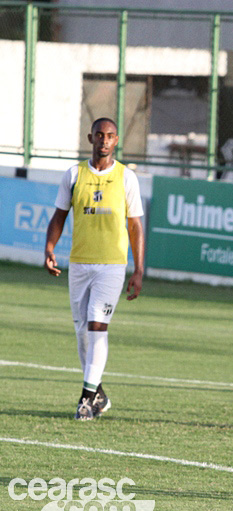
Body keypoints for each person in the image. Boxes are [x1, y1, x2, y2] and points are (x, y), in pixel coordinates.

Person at [44, 117, 145, 421]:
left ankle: (86, 399)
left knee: (98, 326)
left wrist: (139, 269)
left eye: (110, 136)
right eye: (99, 135)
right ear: (90, 138)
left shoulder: (126, 178)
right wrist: (49, 248)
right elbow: (59, 216)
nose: (104, 140)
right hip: (79, 263)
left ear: (116, 141)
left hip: (112, 266)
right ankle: (98, 392)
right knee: (82, 332)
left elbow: (135, 225)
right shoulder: (74, 175)